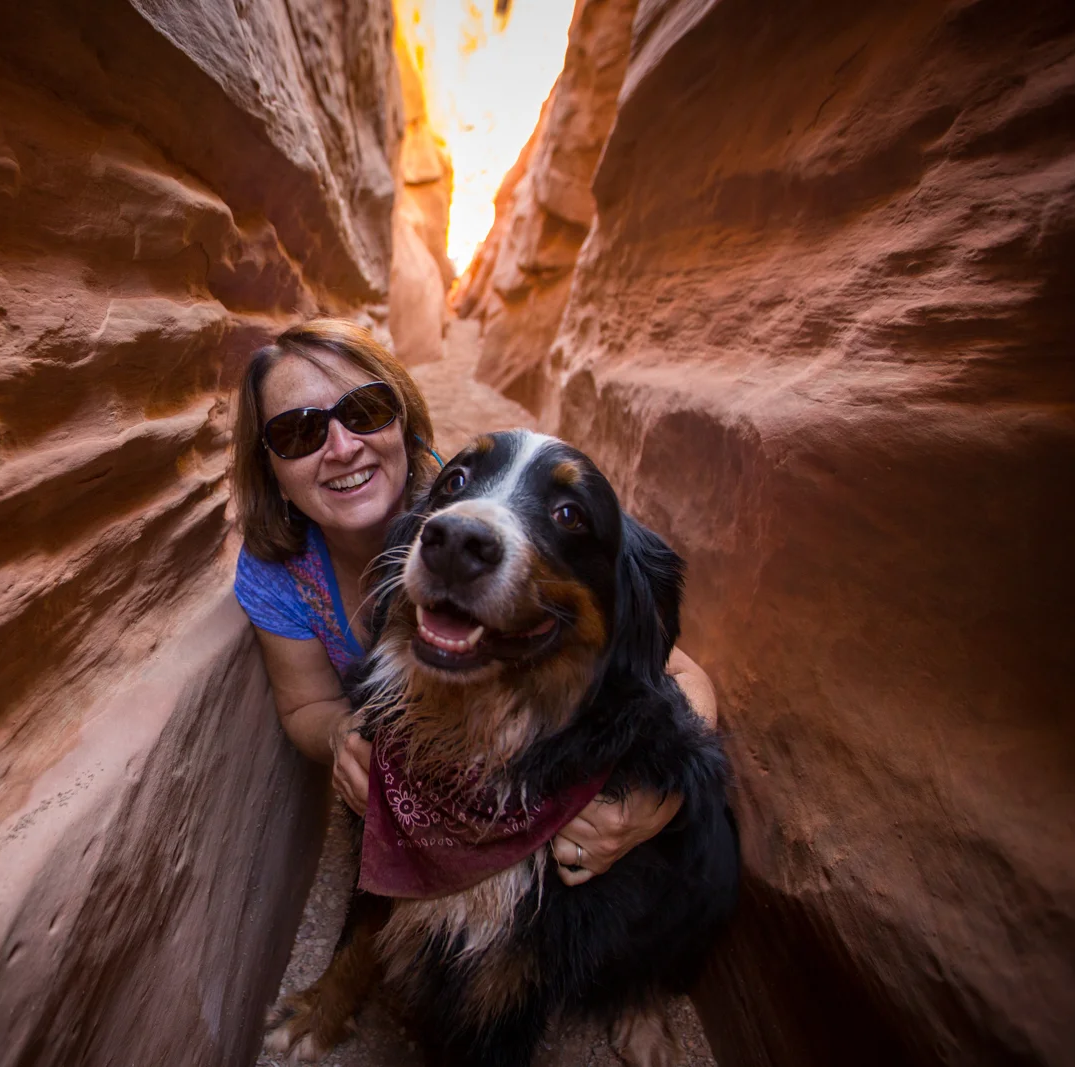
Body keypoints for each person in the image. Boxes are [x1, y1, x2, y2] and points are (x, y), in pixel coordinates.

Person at [231, 319, 718, 885]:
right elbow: (302, 707)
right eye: (298, 433)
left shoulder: (457, 493)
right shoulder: (278, 569)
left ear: (404, 422)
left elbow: (677, 672)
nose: (342, 448)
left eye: (364, 412)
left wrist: (655, 799)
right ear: (271, 468)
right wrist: (345, 735)